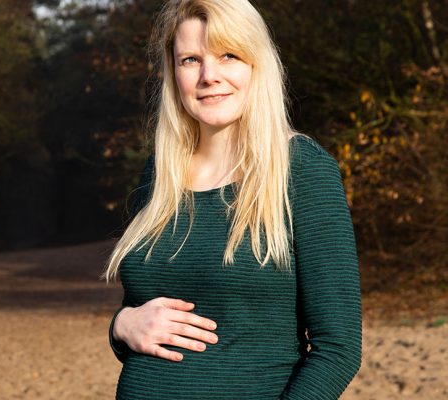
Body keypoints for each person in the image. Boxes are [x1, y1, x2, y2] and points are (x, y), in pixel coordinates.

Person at [102, 0, 362, 399]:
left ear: (256, 63)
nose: (209, 75)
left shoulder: (304, 171)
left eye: (228, 55)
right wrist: (121, 326)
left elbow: (338, 349)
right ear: (174, 73)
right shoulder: (160, 172)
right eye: (190, 59)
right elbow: (144, 311)